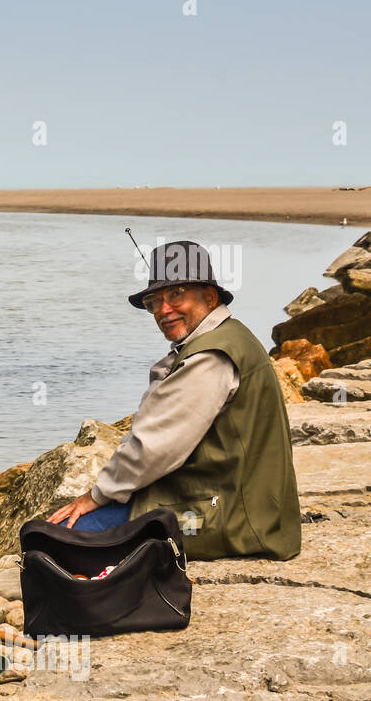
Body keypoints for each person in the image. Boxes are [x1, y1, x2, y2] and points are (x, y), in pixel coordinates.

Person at [46, 240, 301, 561]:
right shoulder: (228, 336)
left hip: (228, 519)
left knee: (57, 541)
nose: (164, 310)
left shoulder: (211, 355)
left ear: (210, 296)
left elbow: (156, 447)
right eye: (155, 301)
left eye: (177, 295)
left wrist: (97, 495)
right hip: (242, 506)